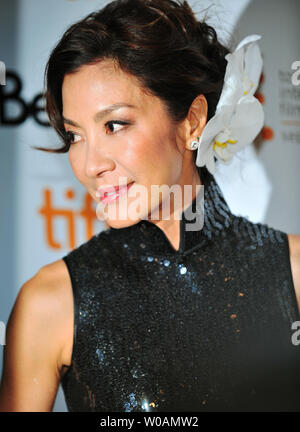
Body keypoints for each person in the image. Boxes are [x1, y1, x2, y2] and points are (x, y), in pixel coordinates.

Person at [0, 0, 300, 412]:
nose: (91, 165)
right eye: (75, 135)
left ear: (192, 121)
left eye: (115, 125)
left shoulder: (294, 274)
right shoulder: (51, 302)